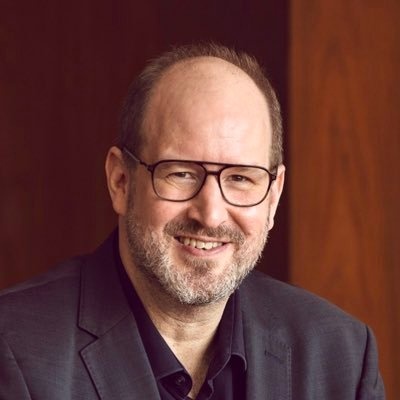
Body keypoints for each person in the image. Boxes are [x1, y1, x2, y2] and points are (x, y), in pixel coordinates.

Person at [0, 43, 385, 399]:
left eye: (240, 178)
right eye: (181, 173)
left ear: (273, 196)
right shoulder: (15, 349)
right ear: (121, 181)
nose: (211, 214)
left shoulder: (341, 358)